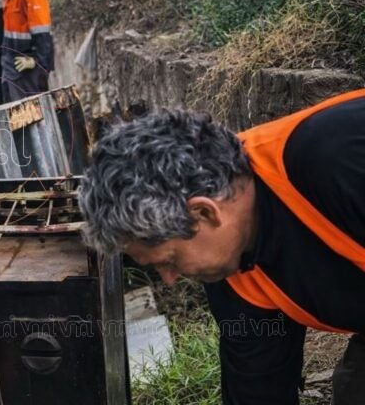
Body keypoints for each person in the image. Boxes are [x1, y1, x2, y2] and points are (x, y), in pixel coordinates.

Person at [78, 89, 365, 404]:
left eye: (169, 261)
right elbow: (259, 388)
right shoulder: (234, 268)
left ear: (204, 212)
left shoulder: (336, 163)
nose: (170, 279)